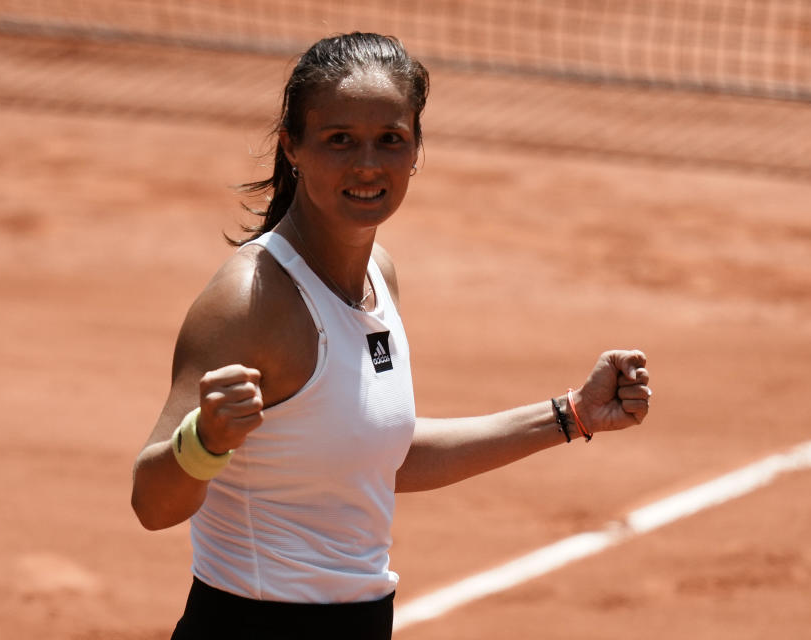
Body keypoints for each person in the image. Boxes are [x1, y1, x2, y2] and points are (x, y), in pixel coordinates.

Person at [130, 32, 652, 639]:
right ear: (291, 148)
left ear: (415, 150)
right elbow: (151, 501)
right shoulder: (250, 300)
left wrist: (572, 415)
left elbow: (378, 455)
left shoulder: (380, 275)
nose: (368, 165)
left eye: (391, 140)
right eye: (339, 140)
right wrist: (207, 440)